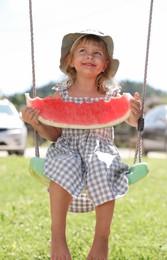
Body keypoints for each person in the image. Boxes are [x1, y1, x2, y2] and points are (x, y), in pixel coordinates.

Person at [22, 30, 142, 260]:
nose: (90, 56)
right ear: (71, 60)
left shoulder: (112, 95)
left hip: (101, 149)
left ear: (105, 64)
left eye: (97, 53)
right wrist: (37, 124)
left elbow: (128, 120)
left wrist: (134, 116)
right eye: (83, 51)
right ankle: (57, 237)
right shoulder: (62, 95)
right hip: (67, 147)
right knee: (63, 165)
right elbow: (55, 134)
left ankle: (101, 241)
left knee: (102, 166)